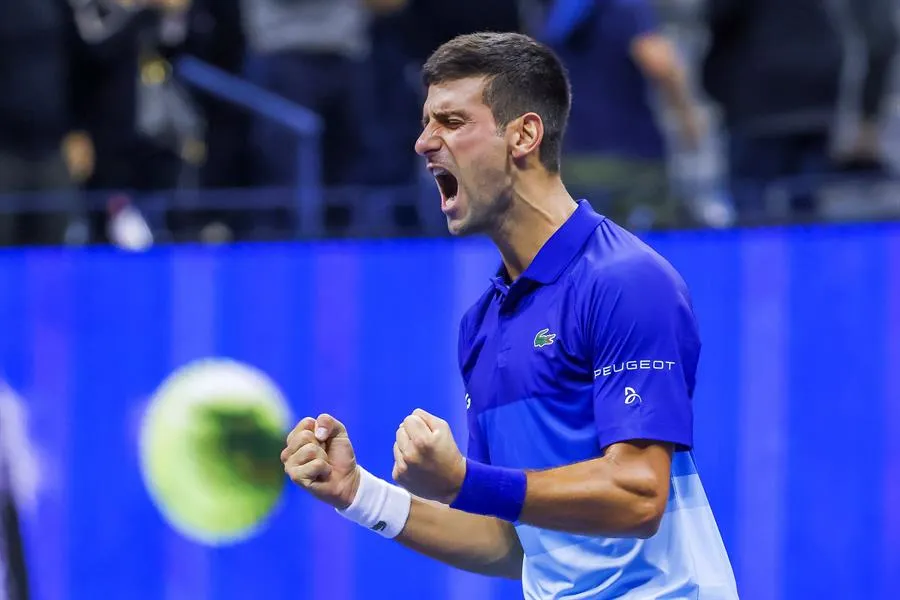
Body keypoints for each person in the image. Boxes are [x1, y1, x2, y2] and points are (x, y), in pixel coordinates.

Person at [281, 32, 738, 599]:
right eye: (426, 122)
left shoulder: (625, 280)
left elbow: (639, 494)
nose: (424, 143)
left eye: (450, 121)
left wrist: (462, 480)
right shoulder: (480, 325)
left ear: (523, 135)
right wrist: (358, 494)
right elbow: (514, 540)